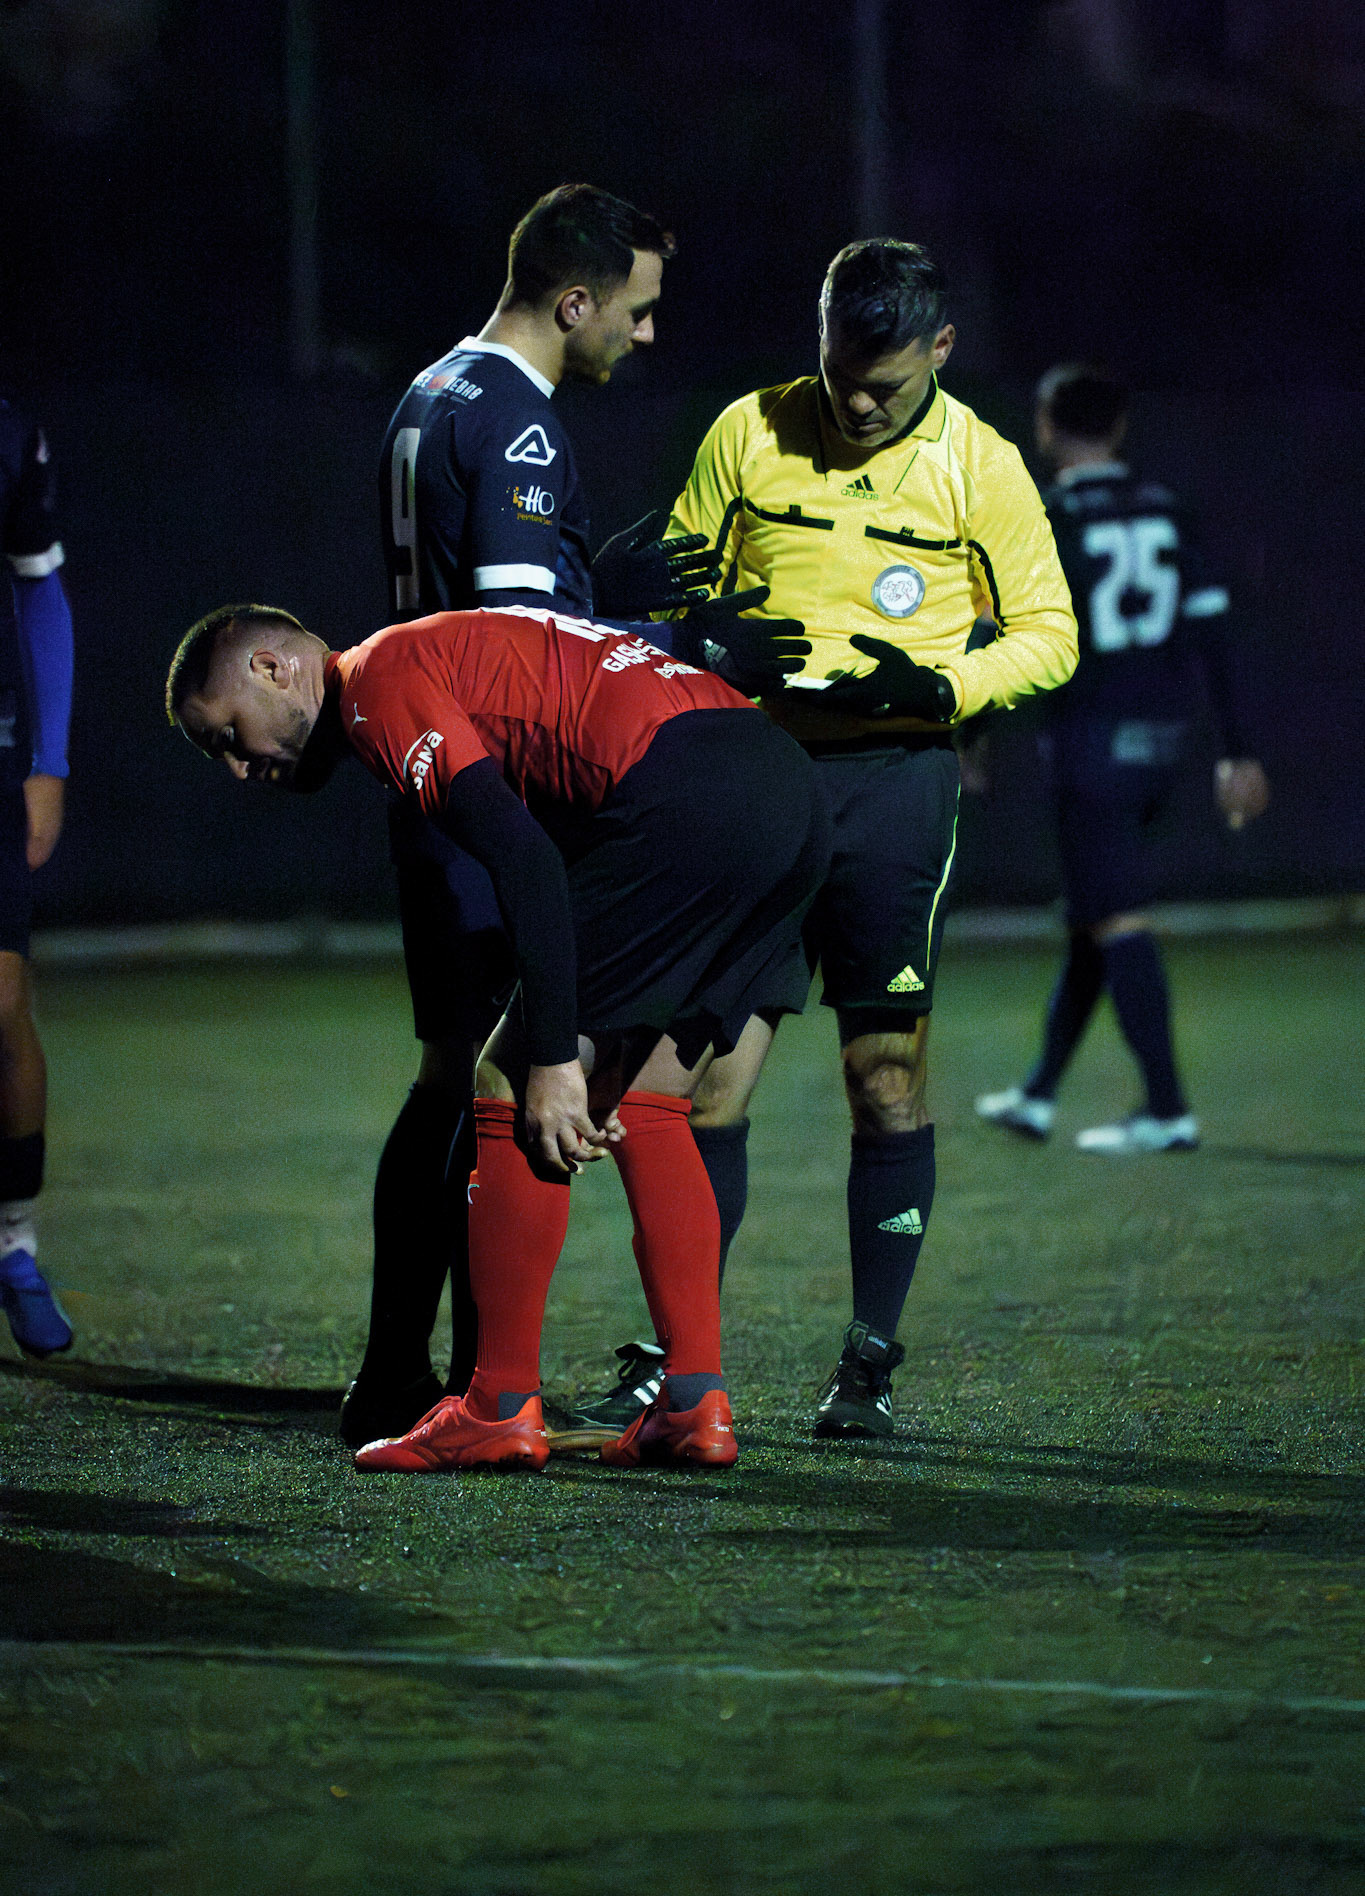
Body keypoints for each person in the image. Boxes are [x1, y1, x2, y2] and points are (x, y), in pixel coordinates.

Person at [595, 238, 1078, 1441]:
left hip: (892, 790)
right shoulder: (749, 432)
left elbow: (1050, 633)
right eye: (842, 375)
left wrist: (945, 681)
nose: (859, 404)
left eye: (889, 387)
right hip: (754, 780)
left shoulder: (984, 464)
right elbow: (673, 595)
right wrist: (696, 638)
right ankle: (679, 1359)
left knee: (887, 1079)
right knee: (704, 1092)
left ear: (943, 353)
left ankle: (868, 1361)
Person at [165, 601, 829, 1472]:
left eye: (225, 735)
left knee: (504, 1080)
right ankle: (694, 1404)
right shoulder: (438, 652)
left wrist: (553, 1057)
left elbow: (526, 862)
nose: (237, 766)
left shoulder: (375, 685)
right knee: (658, 1102)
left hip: (688, 794)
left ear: (270, 668)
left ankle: (498, 1406)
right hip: (783, 789)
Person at [350, 184, 807, 1448]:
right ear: (573, 301)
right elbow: (519, 638)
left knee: (459, 1071)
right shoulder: (521, 424)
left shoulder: (428, 393)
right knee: (529, 1075)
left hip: (430, 774)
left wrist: (595, 579)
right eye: (638, 311)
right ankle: (480, 1385)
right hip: (498, 793)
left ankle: (407, 1372)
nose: (646, 336)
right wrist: (663, 634)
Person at [975, 363, 1269, 1152]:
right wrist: (1236, 751)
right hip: (1164, 745)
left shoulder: (1047, 516)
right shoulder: (1170, 511)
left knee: (1115, 916)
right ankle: (1036, 1096)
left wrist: (969, 737)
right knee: (1092, 917)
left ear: (1045, 424)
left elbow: (1001, 638)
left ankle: (1167, 1109)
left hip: (1088, 741)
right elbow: (1215, 637)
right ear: (1119, 426)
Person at [0, 393, 75, 1355]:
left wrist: (46, 759)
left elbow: (38, 588)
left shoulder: (15, 431)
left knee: (0, 1007)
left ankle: (13, 1245)